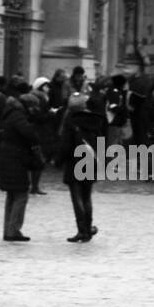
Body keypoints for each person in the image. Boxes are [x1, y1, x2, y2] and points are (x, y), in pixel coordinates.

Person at [0, 83, 42, 241]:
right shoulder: (18, 116)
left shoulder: (10, 113)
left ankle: (8, 230)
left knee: (12, 195)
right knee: (21, 194)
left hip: (8, 157)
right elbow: (30, 134)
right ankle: (13, 230)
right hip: (15, 159)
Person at [60, 91, 106, 242]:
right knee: (87, 197)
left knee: (77, 198)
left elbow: (66, 146)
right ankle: (88, 227)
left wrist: (59, 159)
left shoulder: (71, 122)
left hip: (75, 162)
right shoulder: (96, 120)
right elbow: (101, 143)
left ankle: (82, 231)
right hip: (91, 161)